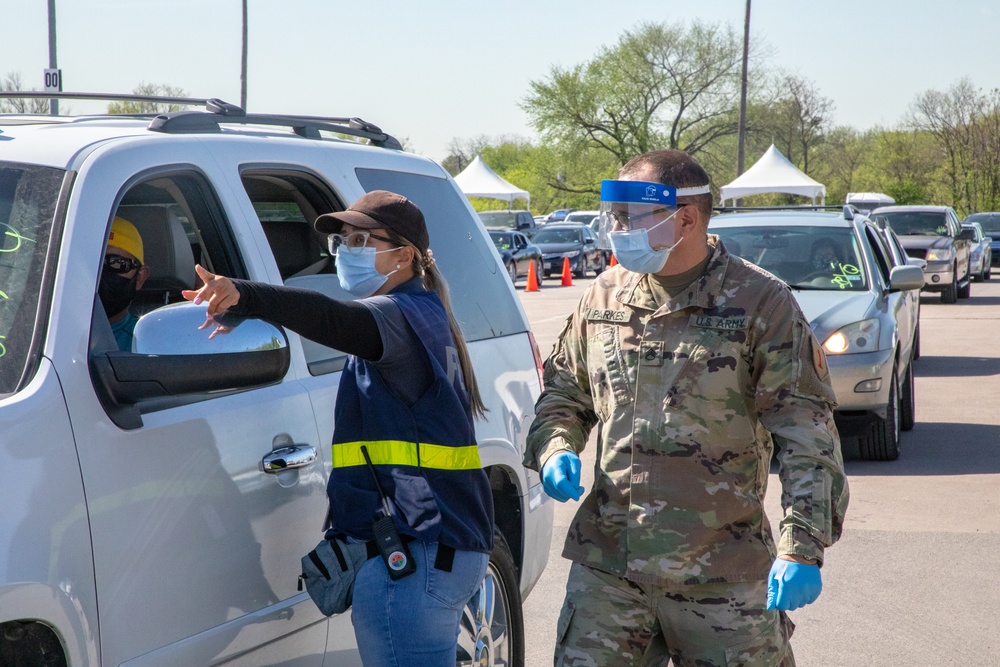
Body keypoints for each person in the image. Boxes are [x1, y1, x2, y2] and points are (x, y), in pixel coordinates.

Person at [524, 149, 849, 666]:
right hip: (611, 570)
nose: (617, 228)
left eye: (630, 218)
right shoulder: (603, 296)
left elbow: (805, 435)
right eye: (616, 216)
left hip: (723, 573)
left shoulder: (761, 303)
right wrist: (555, 445)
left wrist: (802, 546)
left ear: (687, 218)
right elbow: (566, 392)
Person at [181, 190, 494, 667]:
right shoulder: (426, 312)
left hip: (415, 559)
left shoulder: (397, 315)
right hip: (439, 552)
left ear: (404, 254)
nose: (347, 250)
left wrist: (246, 294)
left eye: (362, 239)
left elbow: (332, 319)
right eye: (343, 240)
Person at [100, 216, 149, 351]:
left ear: (140, 277)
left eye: (115, 263)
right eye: (92, 262)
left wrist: (212, 309)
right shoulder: (44, 333)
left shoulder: (149, 340)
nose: (99, 273)